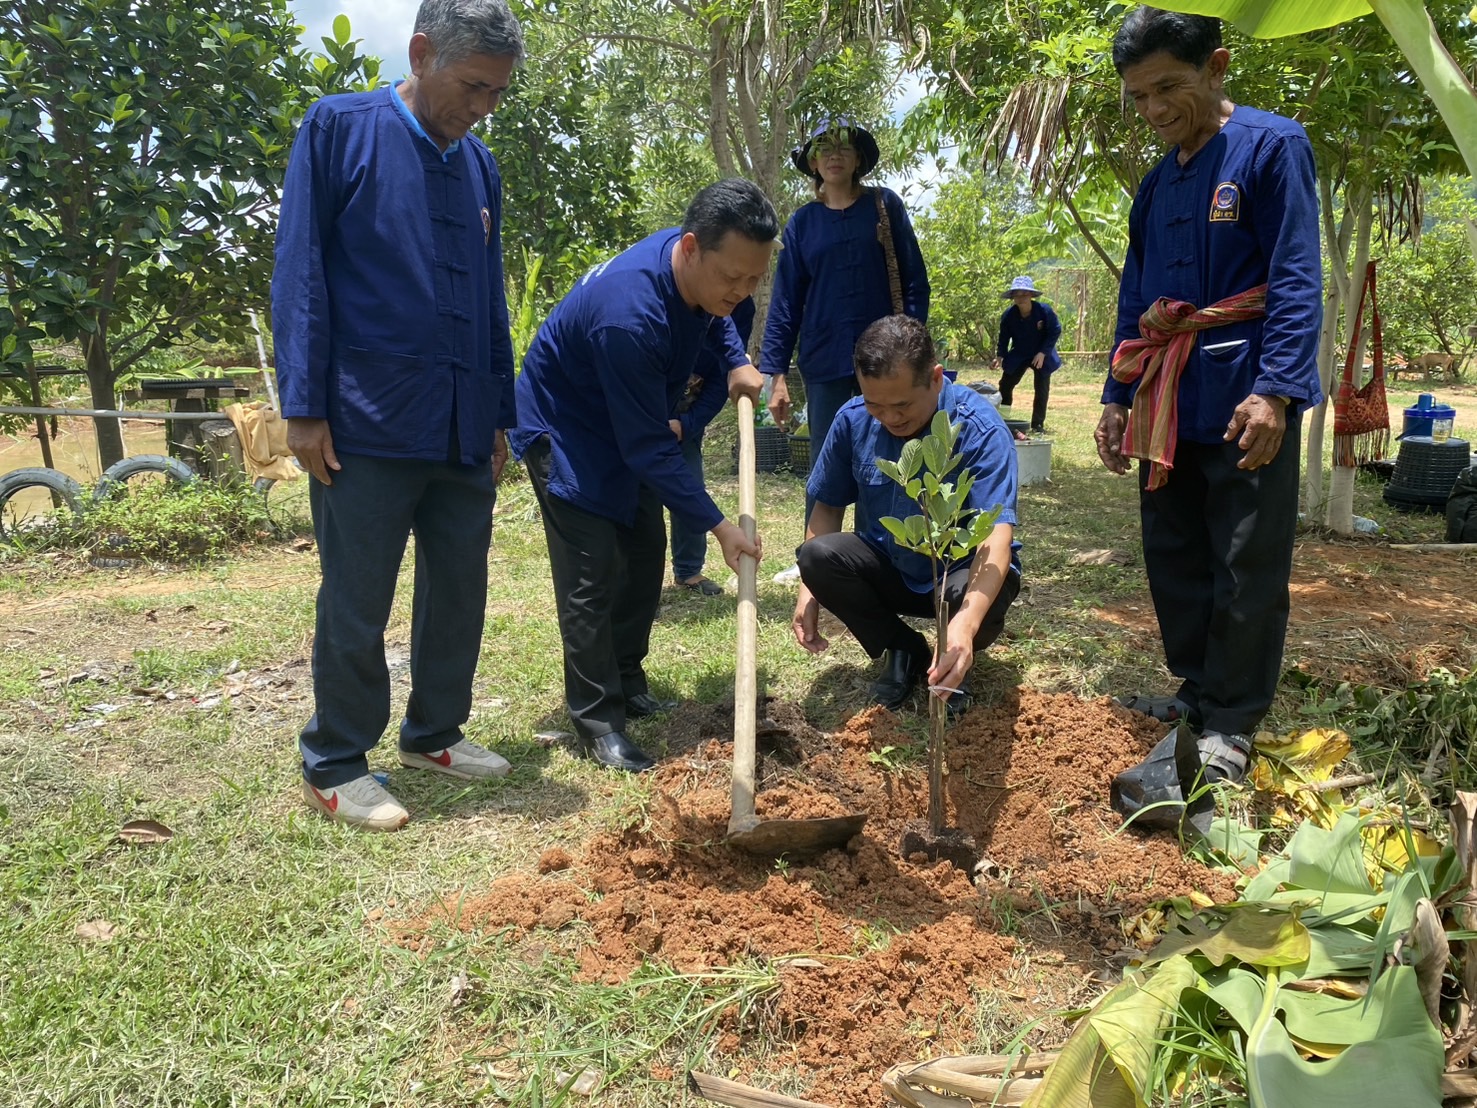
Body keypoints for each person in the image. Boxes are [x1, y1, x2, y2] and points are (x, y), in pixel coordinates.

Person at [271, 0, 525, 831]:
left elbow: (488, 299)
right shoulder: (339, 130)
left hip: (460, 420)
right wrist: (303, 407)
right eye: (472, 86)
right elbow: (301, 269)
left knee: (459, 586)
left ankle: (434, 734)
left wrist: (499, 413)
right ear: (420, 53)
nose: (482, 107)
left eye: (496, 92)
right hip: (365, 420)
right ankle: (337, 760)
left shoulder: (479, 164)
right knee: (357, 596)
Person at [1096, 8, 1322, 817]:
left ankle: (1231, 721)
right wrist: (1114, 396)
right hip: (1166, 396)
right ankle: (1196, 690)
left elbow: (1294, 275)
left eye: (1168, 88)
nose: (1153, 109)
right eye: (1138, 96)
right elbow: (1135, 296)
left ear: (1216, 66)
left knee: (1243, 561)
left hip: (1244, 396)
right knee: (1176, 552)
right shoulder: (1156, 183)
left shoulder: (1271, 147)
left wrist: (1276, 389)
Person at [510, 179, 772, 773]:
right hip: (568, 427)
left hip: (626, 416)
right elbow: (650, 449)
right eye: (732, 277)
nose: (741, 291)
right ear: (690, 248)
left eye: (753, 279)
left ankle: (626, 678)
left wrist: (735, 358)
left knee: (644, 550)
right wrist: (719, 526)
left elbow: (716, 314)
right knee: (592, 571)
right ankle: (598, 721)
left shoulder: (698, 269)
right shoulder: (629, 317)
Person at [792, 315, 1021, 718]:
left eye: (901, 405)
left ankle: (954, 653)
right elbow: (827, 506)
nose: (889, 418)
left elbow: (995, 537)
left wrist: (965, 626)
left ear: (935, 378)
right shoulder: (852, 420)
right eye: (874, 404)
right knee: (815, 558)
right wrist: (809, 592)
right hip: (890, 568)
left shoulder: (979, 429)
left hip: (958, 573)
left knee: (964, 596)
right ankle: (903, 647)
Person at [761, 116, 930, 584]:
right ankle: (815, 557)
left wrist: (913, 347)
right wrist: (775, 374)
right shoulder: (802, 223)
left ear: (858, 159)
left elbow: (915, 282)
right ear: (813, 163)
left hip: (888, 363)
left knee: (892, 453)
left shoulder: (884, 206)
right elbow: (786, 302)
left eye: (844, 147)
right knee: (826, 460)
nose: (834, 155)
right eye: (824, 148)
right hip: (825, 360)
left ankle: (890, 551)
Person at [669, 297, 756, 596]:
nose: (740, 288)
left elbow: (726, 374)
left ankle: (689, 570)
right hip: (645, 400)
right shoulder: (673, 294)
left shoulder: (743, 307)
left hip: (687, 410)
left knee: (689, 484)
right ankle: (632, 576)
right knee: (639, 494)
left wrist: (688, 424)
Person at [994, 275, 1062, 433]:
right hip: (1020, 352)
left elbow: (1055, 330)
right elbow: (1003, 338)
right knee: (1005, 384)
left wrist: (1043, 352)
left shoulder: (1044, 311)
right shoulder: (1009, 315)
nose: (1021, 298)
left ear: (1031, 295)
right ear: (1013, 297)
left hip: (1041, 353)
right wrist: (1000, 356)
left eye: (1024, 294)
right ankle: (1003, 419)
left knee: (1041, 388)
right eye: (1017, 295)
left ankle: (1037, 424)